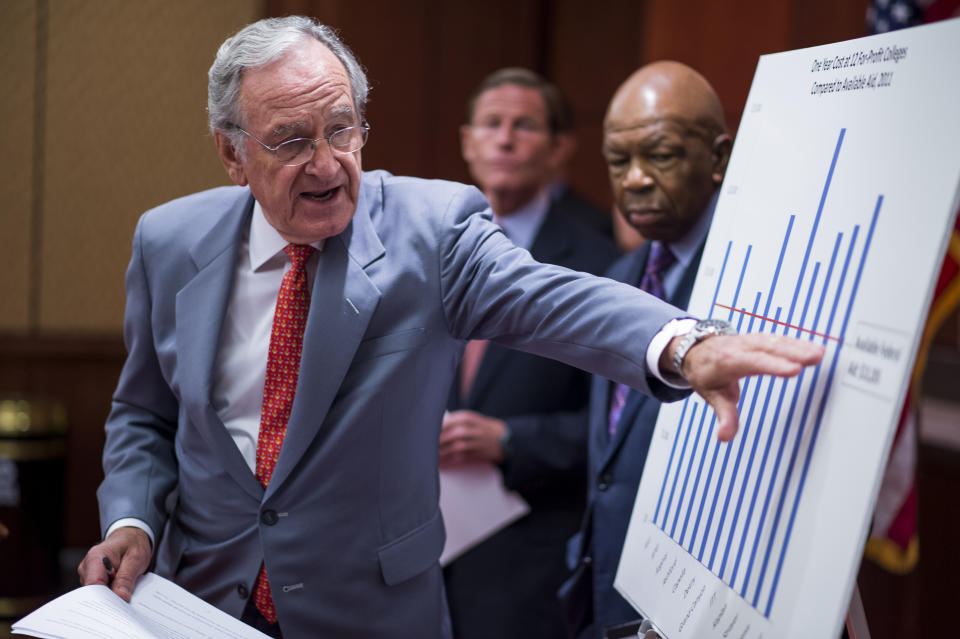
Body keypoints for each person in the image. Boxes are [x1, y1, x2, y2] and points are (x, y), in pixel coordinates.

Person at [76, 17, 822, 639]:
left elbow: (548, 296)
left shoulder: (429, 230)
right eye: (291, 140)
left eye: (343, 127)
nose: (329, 163)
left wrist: (684, 344)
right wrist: (133, 521)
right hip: (198, 607)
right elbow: (145, 411)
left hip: (369, 615)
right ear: (231, 151)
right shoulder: (170, 242)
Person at [440, 68, 618, 639]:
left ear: (560, 148)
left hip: (529, 559)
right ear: (468, 142)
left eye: (524, 126)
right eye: (491, 124)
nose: (505, 138)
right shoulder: (423, 247)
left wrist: (512, 440)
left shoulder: (600, 262)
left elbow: (615, 427)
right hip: (418, 553)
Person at [559, 61, 734, 638]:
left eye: (658, 155)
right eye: (618, 161)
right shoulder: (619, 276)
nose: (634, 179)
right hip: (605, 597)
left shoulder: (745, 286)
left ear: (718, 156)